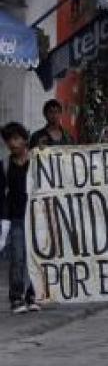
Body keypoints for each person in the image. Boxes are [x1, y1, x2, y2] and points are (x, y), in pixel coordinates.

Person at [1, 123, 39, 315]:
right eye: (9, 140)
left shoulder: (37, 162)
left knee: (35, 258)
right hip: (16, 218)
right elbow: (2, 195)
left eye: (16, 139)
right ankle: (16, 297)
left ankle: (33, 295)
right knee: (18, 258)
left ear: (25, 139)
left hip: (36, 218)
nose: (12, 143)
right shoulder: (5, 165)